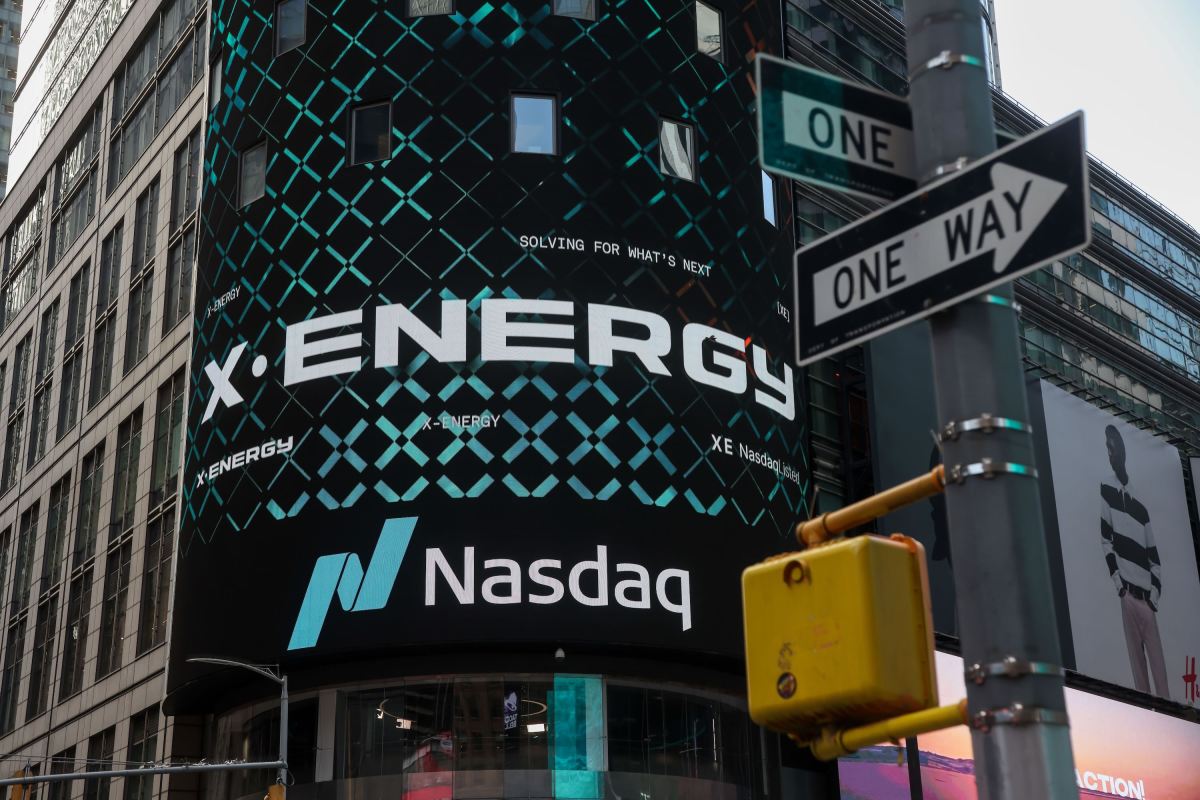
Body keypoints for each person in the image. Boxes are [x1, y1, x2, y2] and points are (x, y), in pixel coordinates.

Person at [1100, 424, 1169, 698]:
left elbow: (1154, 559)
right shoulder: (1106, 490)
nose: (1111, 454)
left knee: (1161, 681)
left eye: (1114, 447)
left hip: (1146, 601)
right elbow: (1105, 540)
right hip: (1127, 595)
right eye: (1108, 449)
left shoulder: (1141, 506)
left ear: (1123, 451)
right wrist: (1119, 586)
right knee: (1140, 681)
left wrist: (1154, 598)